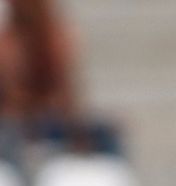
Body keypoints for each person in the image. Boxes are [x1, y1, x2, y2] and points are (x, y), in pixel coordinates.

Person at [0, 0, 120, 158]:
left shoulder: (55, 35)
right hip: (16, 121)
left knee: (106, 133)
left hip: (49, 117)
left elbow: (66, 92)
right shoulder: (8, 38)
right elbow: (11, 98)